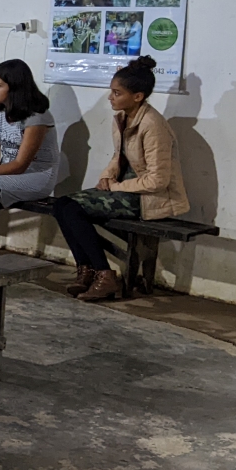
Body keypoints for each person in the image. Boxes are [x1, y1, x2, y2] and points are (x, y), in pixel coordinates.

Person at [53, 56, 189, 301]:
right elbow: (119, 156)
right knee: (61, 204)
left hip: (147, 198)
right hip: (125, 189)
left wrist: (116, 186)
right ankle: (88, 269)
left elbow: (158, 180)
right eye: (111, 92)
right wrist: (106, 178)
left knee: (73, 209)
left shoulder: (152, 124)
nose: (110, 97)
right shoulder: (124, 117)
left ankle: (104, 275)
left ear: (138, 96)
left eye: (117, 93)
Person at [0, 58, 61, 207]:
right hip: (5, 171)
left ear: (15, 89)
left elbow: (20, 165)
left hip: (36, 175)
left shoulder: (36, 116)